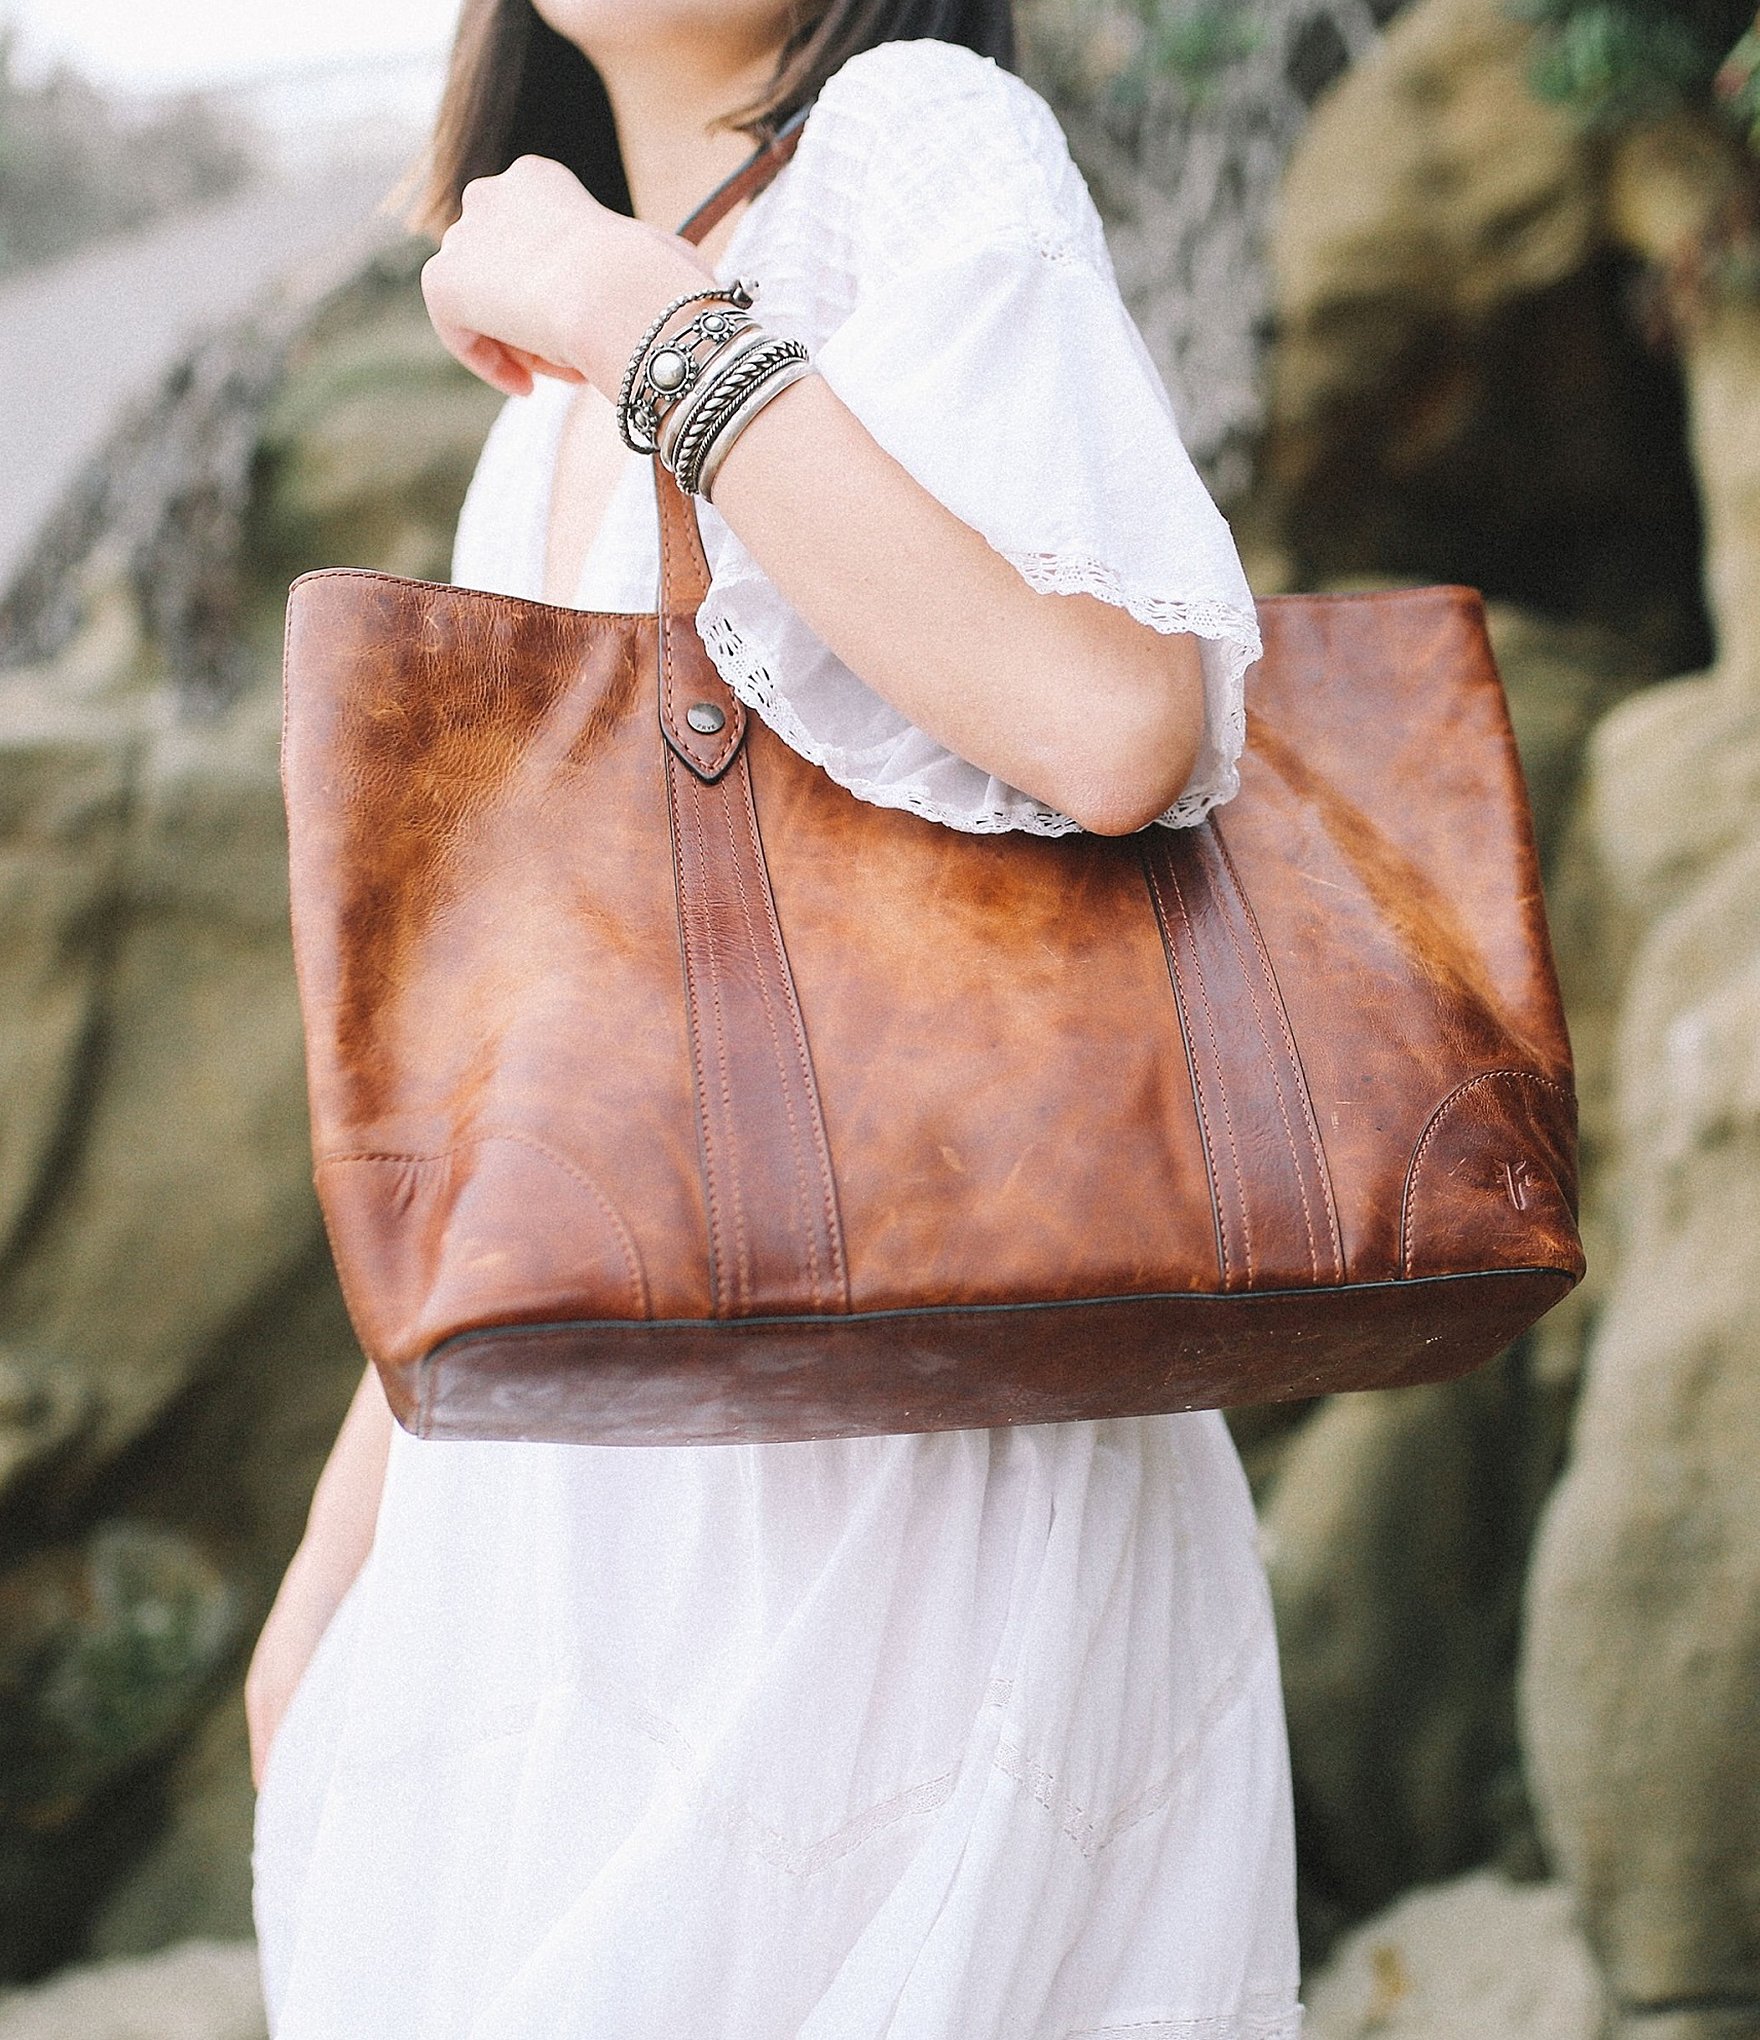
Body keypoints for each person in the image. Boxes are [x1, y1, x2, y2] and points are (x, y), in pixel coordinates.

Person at [247, 1, 1301, 2034]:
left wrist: (647, 320)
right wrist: (337, 1558)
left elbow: (1107, 715)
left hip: (904, 1472)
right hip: (555, 1507)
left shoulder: (913, 143)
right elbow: (512, 1090)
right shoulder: (520, 425)